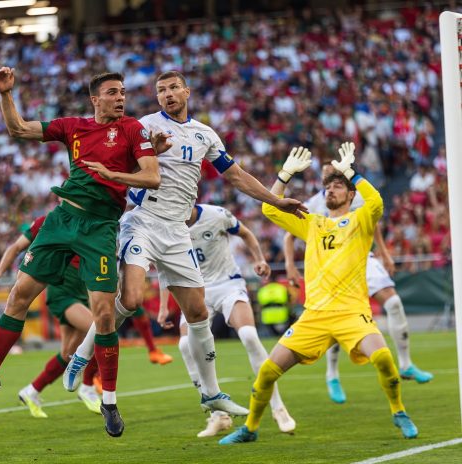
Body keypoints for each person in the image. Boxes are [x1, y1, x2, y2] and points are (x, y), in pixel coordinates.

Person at [62, 71, 306, 423]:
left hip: (178, 232)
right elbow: (117, 164)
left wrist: (275, 200)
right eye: (161, 90)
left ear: (186, 92)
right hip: (144, 221)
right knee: (129, 300)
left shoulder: (204, 134)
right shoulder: (142, 126)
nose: (167, 94)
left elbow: (236, 176)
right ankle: (84, 355)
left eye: (173, 88)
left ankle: (211, 395)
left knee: (198, 314)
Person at [0, 68, 165, 438]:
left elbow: (152, 177)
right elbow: (18, 129)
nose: (121, 98)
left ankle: (109, 401)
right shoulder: (73, 126)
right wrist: (6, 94)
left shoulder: (134, 129)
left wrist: (113, 175)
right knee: (18, 295)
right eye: (113, 92)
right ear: (95, 99)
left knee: (104, 316)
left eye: (123, 92)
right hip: (62, 219)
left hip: (100, 227)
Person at [220, 144, 418, 445]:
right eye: (328, 186)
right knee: (268, 372)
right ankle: (250, 427)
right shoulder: (313, 223)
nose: (331, 190)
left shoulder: (360, 220)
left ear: (351, 195)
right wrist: (285, 173)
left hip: (352, 313)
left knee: (383, 358)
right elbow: (270, 208)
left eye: (338, 186)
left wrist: (352, 171)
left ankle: (398, 411)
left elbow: (376, 202)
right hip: (314, 316)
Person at [284, 163, 433, 404]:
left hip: (362, 255)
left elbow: (372, 221)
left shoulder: (354, 194)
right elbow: (289, 234)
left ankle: (406, 364)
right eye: (325, 173)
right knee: (332, 314)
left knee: (394, 302)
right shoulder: (314, 202)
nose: (328, 176)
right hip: (330, 264)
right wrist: (290, 265)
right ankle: (332, 375)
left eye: (333, 172)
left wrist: (383, 253)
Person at [157, 203, 296, 437]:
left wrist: (259, 258)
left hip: (228, 284)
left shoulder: (215, 215)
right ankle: (217, 415)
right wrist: (163, 306)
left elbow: (245, 233)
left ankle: (278, 407)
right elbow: (164, 268)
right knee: (184, 345)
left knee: (249, 335)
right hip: (195, 289)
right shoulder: (167, 226)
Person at [0, 214, 102, 418]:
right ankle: (88, 386)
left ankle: (31, 391)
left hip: (80, 293)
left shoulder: (90, 222)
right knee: (100, 329)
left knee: (68, 354)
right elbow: (16, 246)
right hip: (62, 292)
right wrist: (0, 269)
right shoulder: (51, 219)